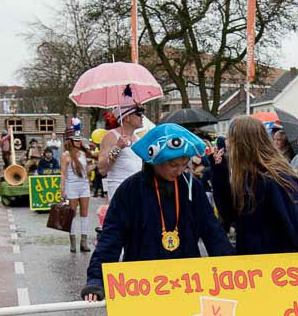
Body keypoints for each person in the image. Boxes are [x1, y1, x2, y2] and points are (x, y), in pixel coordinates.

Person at [83, 125, 232, 300]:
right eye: (173, 165)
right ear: (154, 161)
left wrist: (231, 268)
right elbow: (111, 237)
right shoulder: (130, 189)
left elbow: (212, 231)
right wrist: (96, 279)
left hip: (187, 282)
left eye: (184, 164)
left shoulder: (192, 186)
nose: (179, 171)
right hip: (142, 284)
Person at [212, 115, 298, 254]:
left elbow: (297, 228)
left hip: (276, 262)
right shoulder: (248, 176)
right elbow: (231, 215)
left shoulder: (276, 179)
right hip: (255, 260)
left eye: (230, 139)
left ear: (243, 143)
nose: (226, 144)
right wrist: (220, 172)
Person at [96, 106, 148, 210]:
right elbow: (102, 169)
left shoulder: (138, 139)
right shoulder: (111, 136)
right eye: (138, 113)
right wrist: (118, 147)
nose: (142, 116)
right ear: (127, 117)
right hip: (119, 190)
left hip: (137, 190)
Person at [61, 135, 93, 253]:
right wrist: (62, 188)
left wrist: (95, 165)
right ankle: (73, 242)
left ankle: (84, 242)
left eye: (79, 140)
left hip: (84, 185)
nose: (78, 142)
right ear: (71, 141)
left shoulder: (83, 154)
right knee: (72, 214)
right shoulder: (66, 155)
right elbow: (63, 173)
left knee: (84, 214)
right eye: (76, 140)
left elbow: (86, 170)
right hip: (71, 186)